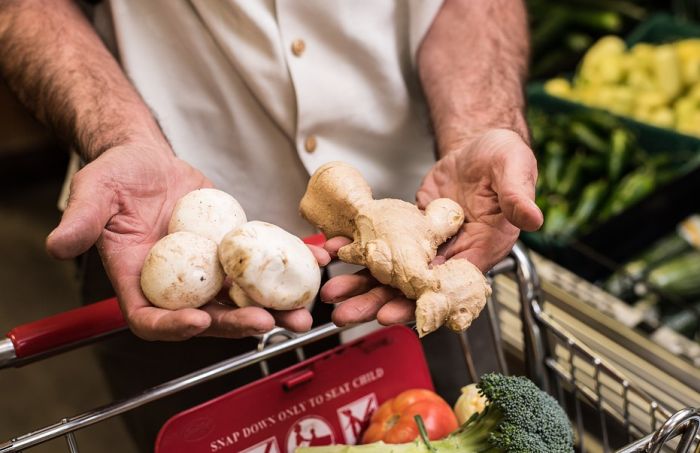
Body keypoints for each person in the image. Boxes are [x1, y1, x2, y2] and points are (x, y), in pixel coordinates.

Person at [0, 0, 543, 449]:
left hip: (430, 233)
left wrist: (478, 129)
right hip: (164, 235)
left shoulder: (425, 257)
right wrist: (121, 139)